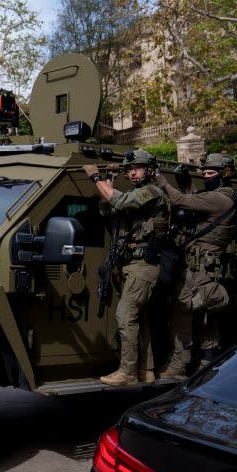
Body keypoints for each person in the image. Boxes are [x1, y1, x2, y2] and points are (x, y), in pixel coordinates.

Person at [84, 148, 169, 386]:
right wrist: (108, 180)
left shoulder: (151, 192)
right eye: (129, 169)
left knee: (125, 315)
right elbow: (108, 208)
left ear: (150, 170)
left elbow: (118, 200)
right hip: (132, 265)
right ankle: (146, 370)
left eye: (137, 168)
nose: (132, 173)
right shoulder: (137, 196)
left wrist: (95, 178)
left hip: (144, 266)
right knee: (139, 320)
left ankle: (128, 372)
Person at [156, 153, 237, 378]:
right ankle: (207, 362)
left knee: (181, 311)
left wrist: (162, 181)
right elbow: (194, 197)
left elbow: (182, 201)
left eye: (211, 173)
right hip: (206, 265)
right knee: (205, 314)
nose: (206, 176)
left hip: (199, 266)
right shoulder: (226, 196)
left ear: (225, 174)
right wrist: (185, 182)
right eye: (204, 173)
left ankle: (178, 365)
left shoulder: (221, 198)